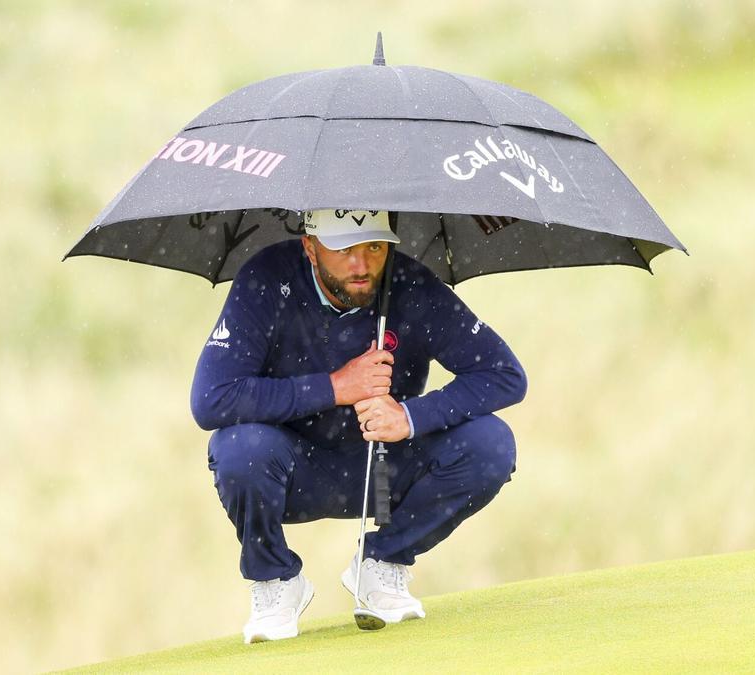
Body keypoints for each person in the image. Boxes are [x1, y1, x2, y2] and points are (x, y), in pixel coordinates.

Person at [190, 209, 527, 643]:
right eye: (344, 249)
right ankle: (275, 580)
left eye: (374, 247)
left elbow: (504, 375)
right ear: (310, 247)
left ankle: (383, 562)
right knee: (238, 448)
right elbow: (211, 399)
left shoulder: (410, 284)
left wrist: (409, 418)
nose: (362, 265)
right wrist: (334, 387)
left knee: (490, 443)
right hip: (291, 470)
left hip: (383, 468)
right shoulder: (268, 277)